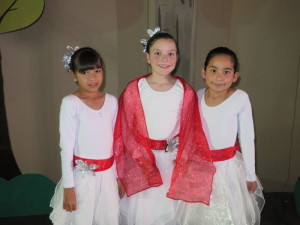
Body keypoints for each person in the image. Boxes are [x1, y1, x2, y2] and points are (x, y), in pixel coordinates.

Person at [114, 28, 216, 225]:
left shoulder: (185, 91)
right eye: (157, 53)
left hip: (172, 163)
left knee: (169, 214)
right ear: (147, 57)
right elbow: (125, 131)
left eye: (171, 53)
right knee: (146, 213)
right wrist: (137, 160)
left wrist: (182, 158)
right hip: (142, 162)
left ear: (177, 57)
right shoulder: (134, 90)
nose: (164, 59)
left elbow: (191, 131)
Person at [177, 47, 265, 225]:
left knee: (227, 215)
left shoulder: (240, 98)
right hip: (201, 167)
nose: (219, 77)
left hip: (228, 169)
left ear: (235, 76)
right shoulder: (198, 96)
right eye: (213, 70)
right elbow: (190, 133)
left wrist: (250, 175)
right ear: (204, 72)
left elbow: (247, 138)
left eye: (226, 72)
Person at [49, 47, 119, 225]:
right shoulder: (70, 104)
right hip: (82, 180)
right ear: (74, 75)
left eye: (97, 71)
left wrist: (119, 177)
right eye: (85, 72)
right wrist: (68, 188)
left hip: (109, 178)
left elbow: (117, 143)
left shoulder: (112, 101)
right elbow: (66, 148)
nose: (92, 78)